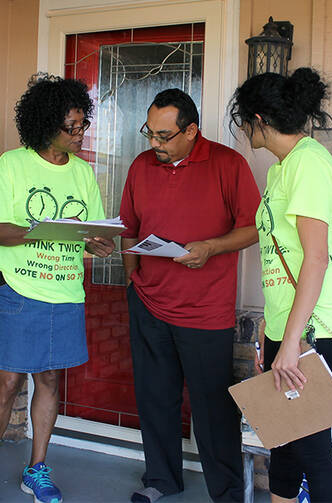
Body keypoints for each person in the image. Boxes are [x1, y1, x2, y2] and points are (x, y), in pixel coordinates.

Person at [0, 74, 115, 503]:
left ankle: (37, 469)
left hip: (65, 291)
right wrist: (42, 231)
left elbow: (89, 234)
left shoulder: (84, 174)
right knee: (8, 382)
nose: (78, 134)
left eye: (81, 125)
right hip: (17, 289)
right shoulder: (12, 165)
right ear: (44, 124)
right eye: (69, 127)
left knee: (49, 378)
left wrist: (99, 245)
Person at [120, 89, 261, 503]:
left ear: (191, 131)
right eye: (150, 133)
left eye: (164, 136)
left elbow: (253, 227)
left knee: (213, 407)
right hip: (148, 302)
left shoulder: (228, 164)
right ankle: (161, 480)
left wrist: (211, 248)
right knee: (155, 397)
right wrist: (132, 278)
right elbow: (128, 227)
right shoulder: (141, 166)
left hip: (205, 309)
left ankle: (228, 492)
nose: (154, 144)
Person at [229, 68, 332, 502]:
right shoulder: (283, 169)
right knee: (284, 446)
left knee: (314, 454)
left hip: (313, 330)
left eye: (244, 121)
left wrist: (293, 341)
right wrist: (271, 330)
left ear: (259, 118)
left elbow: (316, 259)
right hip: (289, 328)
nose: (244, 130)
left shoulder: (310, 164)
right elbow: (283, 258)